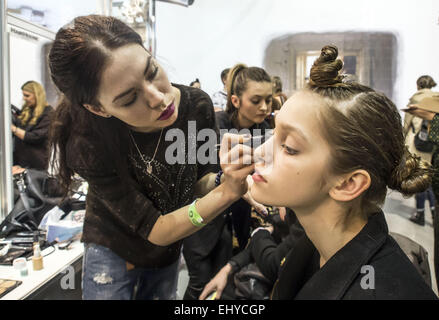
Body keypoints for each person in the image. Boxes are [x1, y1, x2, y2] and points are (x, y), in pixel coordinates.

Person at [47, 15, 254, 300]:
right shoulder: (87, 143)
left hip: (168, 248)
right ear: (98, 108)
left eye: (151, 71)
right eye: (129, 98)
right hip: (112, 247)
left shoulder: (196, 107)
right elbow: (157, 229)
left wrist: (224, 178)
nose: (158, 98)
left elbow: (195, 185)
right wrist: (226, 195)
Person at [245, 45, 436, 299]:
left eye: (289, 148)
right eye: (274, 132)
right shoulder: (317, 243)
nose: (259, 153)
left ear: (348, 184)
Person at [216, 63, 274, 253]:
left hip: (244, 213)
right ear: (235, 101)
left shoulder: (265, 129)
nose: (264, 107)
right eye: (256, 101)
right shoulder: (216, 126)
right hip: (213, 214)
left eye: (268, 100)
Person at [403, 75, 437, 225]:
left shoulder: (415, 100)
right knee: (430, 178)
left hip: (417, 144)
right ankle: (434, 210)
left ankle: (420, 214)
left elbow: (406, 124)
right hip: (433, 145)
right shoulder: (436, 99)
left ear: (418, 86)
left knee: (420, 178)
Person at [11, 81, 54, 171]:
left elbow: (35, 137)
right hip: (20, 161)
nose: (24, 99)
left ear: (37, 95)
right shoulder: (27, 111)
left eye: (27, 95)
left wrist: (14, 129)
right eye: (23, 95)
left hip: (37, 164)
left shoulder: (48, 113)